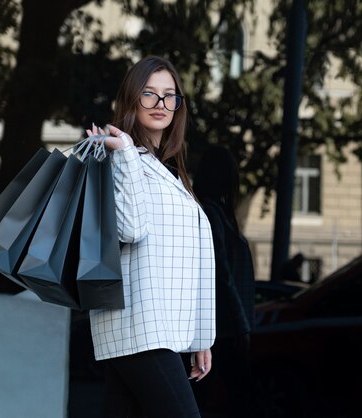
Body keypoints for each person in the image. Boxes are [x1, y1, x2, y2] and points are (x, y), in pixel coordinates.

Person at [85, 56, 215, 418]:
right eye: (149, 94)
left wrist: (202, 337)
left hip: (154, 330)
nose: (160, 104)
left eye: (169, 95)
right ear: (131, 99)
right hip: (140, 326)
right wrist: (125, 152)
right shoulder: (118, 158)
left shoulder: (167, 171)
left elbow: (194, 257)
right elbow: (130, 229)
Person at [192, 145, 257, 418]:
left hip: (221, 327)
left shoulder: (215, 213)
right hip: (222, 328)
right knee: (239, 399)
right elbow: (222, 276)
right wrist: (241, 325)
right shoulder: (211, 214)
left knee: (217, 398)